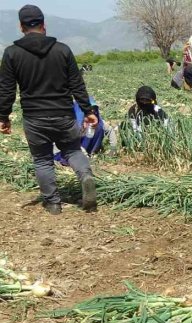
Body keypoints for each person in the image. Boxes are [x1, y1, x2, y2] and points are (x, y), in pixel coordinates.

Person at [0, 4, 98, 214]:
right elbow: (77, 84)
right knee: (72, 150)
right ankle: (86, 176)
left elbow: (6, 90)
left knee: (43, 159)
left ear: (21, 26)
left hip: (35, 118)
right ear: (44, 25)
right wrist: (88, 111)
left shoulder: (11, 54)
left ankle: (53, 203)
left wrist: (3, 116)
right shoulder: (62, 50)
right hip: (63, 113)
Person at [53, 96, 117, 164]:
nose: (92, 112)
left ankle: (91, 153)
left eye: (94, 110)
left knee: (99, 128)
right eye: (89, 110)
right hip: (68, 151)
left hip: (88, 153)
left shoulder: (96, 121)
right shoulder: (71, 123)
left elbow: (110, 130)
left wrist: (113, 148)